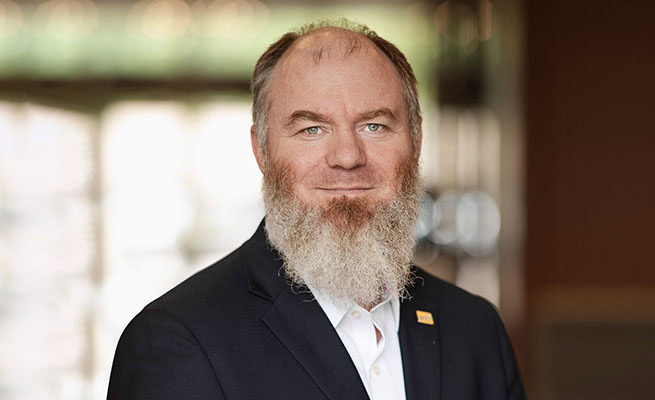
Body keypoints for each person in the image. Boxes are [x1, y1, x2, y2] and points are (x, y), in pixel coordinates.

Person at [107, 20, 527, 400]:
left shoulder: (475, 329)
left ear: (415, 142)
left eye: (374, 125)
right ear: (262, 151)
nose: (347, 156)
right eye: (312, 128)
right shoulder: (178, 341)